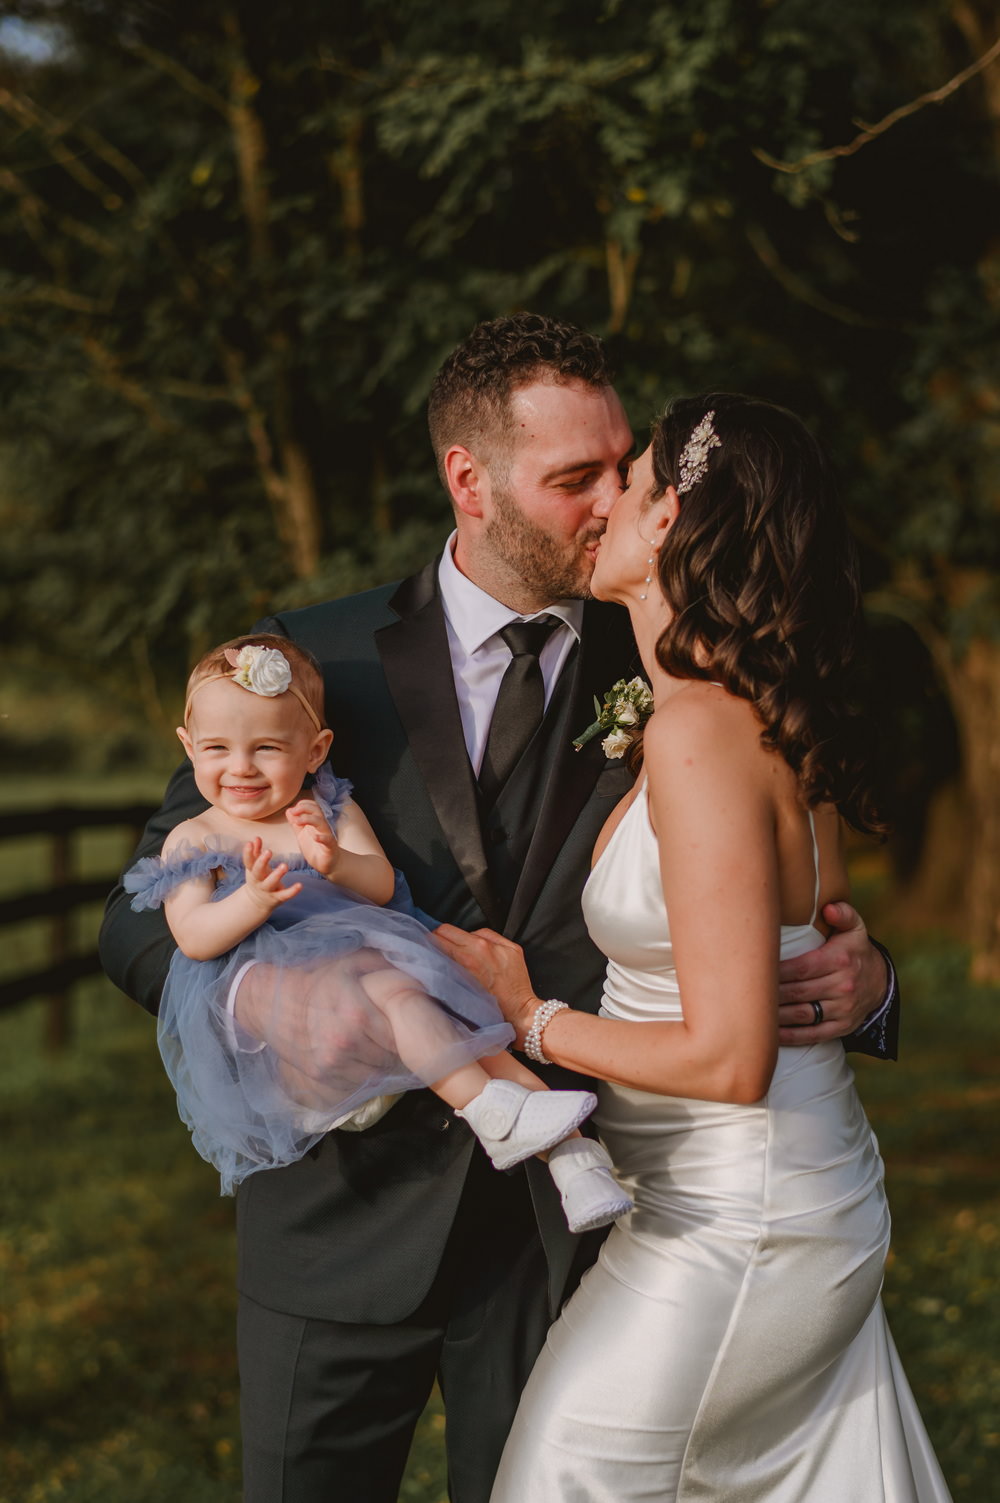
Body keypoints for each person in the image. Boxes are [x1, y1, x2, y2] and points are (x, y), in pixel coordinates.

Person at [99, 314, 897, 1503]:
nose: (604, 503)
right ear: (468, 480)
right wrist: (267, 999)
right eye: (572, 477)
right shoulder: (313, 663)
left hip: (571, 1235)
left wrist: (869, 982)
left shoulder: (673, 659)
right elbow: (138, 910)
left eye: (617, 471)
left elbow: (767, 871)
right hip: (337, 1222)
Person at [436, 393, 951, 1501]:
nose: (600, 503)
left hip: (741, 1223)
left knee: (556, 1476)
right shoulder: (754, 708)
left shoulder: (700, 732)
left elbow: (732, 1060)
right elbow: (819, 931)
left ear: (668, 518)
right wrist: (860, 971)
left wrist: (533, 1020)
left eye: (624, 481)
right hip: (732, 1201)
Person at [124, 632, 629, 1233]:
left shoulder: (330, 808)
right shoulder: (196, 838)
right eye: (215, 748)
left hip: (377, 954)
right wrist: (255, 899)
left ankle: (574, 1160)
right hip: (295, 994)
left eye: (266, 748)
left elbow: (384, 887)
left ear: (315, 750)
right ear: (187, 747)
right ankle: (494, 1111)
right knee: (414, 1003)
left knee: (477, 1031)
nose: (240, 768)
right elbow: (196, 938)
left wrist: (334, 860)